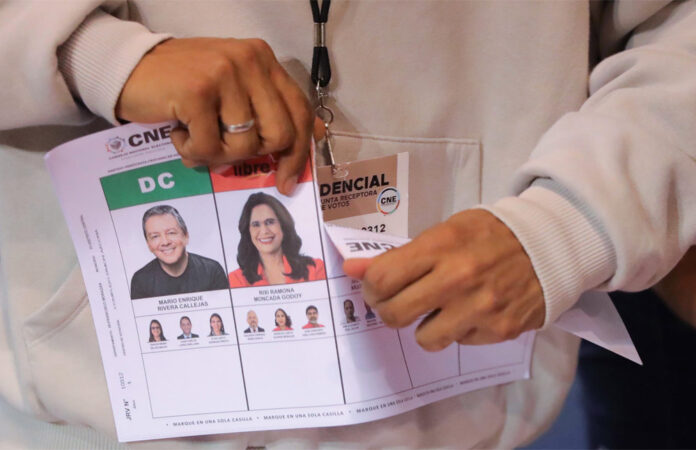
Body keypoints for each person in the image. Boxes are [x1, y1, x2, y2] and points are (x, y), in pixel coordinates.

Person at [2, 2, 696, 449]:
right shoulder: (215, 272)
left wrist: (570, 224)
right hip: (88, 415)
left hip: (465, 410)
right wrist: (92, 53)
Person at [130, 204, 229, 299]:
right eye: (155, 236)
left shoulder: (212, 271)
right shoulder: (140, 281)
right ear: (148, 245)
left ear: (186, 236)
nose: (165, 242)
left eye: (171, 233)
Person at [228, 192, 325, 287]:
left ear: (283, 225)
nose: (264, 231)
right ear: (248, 231)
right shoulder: (236, 279)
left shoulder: (315, 269)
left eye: (270, 222)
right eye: (256, 224)